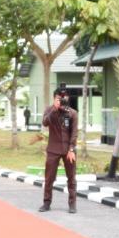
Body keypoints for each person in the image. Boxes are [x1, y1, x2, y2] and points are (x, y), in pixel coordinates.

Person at [40, 85, 78, 214]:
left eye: (64, 98)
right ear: (54, 98)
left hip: (69, 150)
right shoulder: (49, 110)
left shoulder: (72, 113)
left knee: (71, 178)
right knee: (49, 177)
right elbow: (45, 123)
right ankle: (46, 203)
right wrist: (54, 110)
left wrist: (71, 149)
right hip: (53, 149)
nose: (61, 100)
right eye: (58, 98)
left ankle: (72, 204)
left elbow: (74, 133)